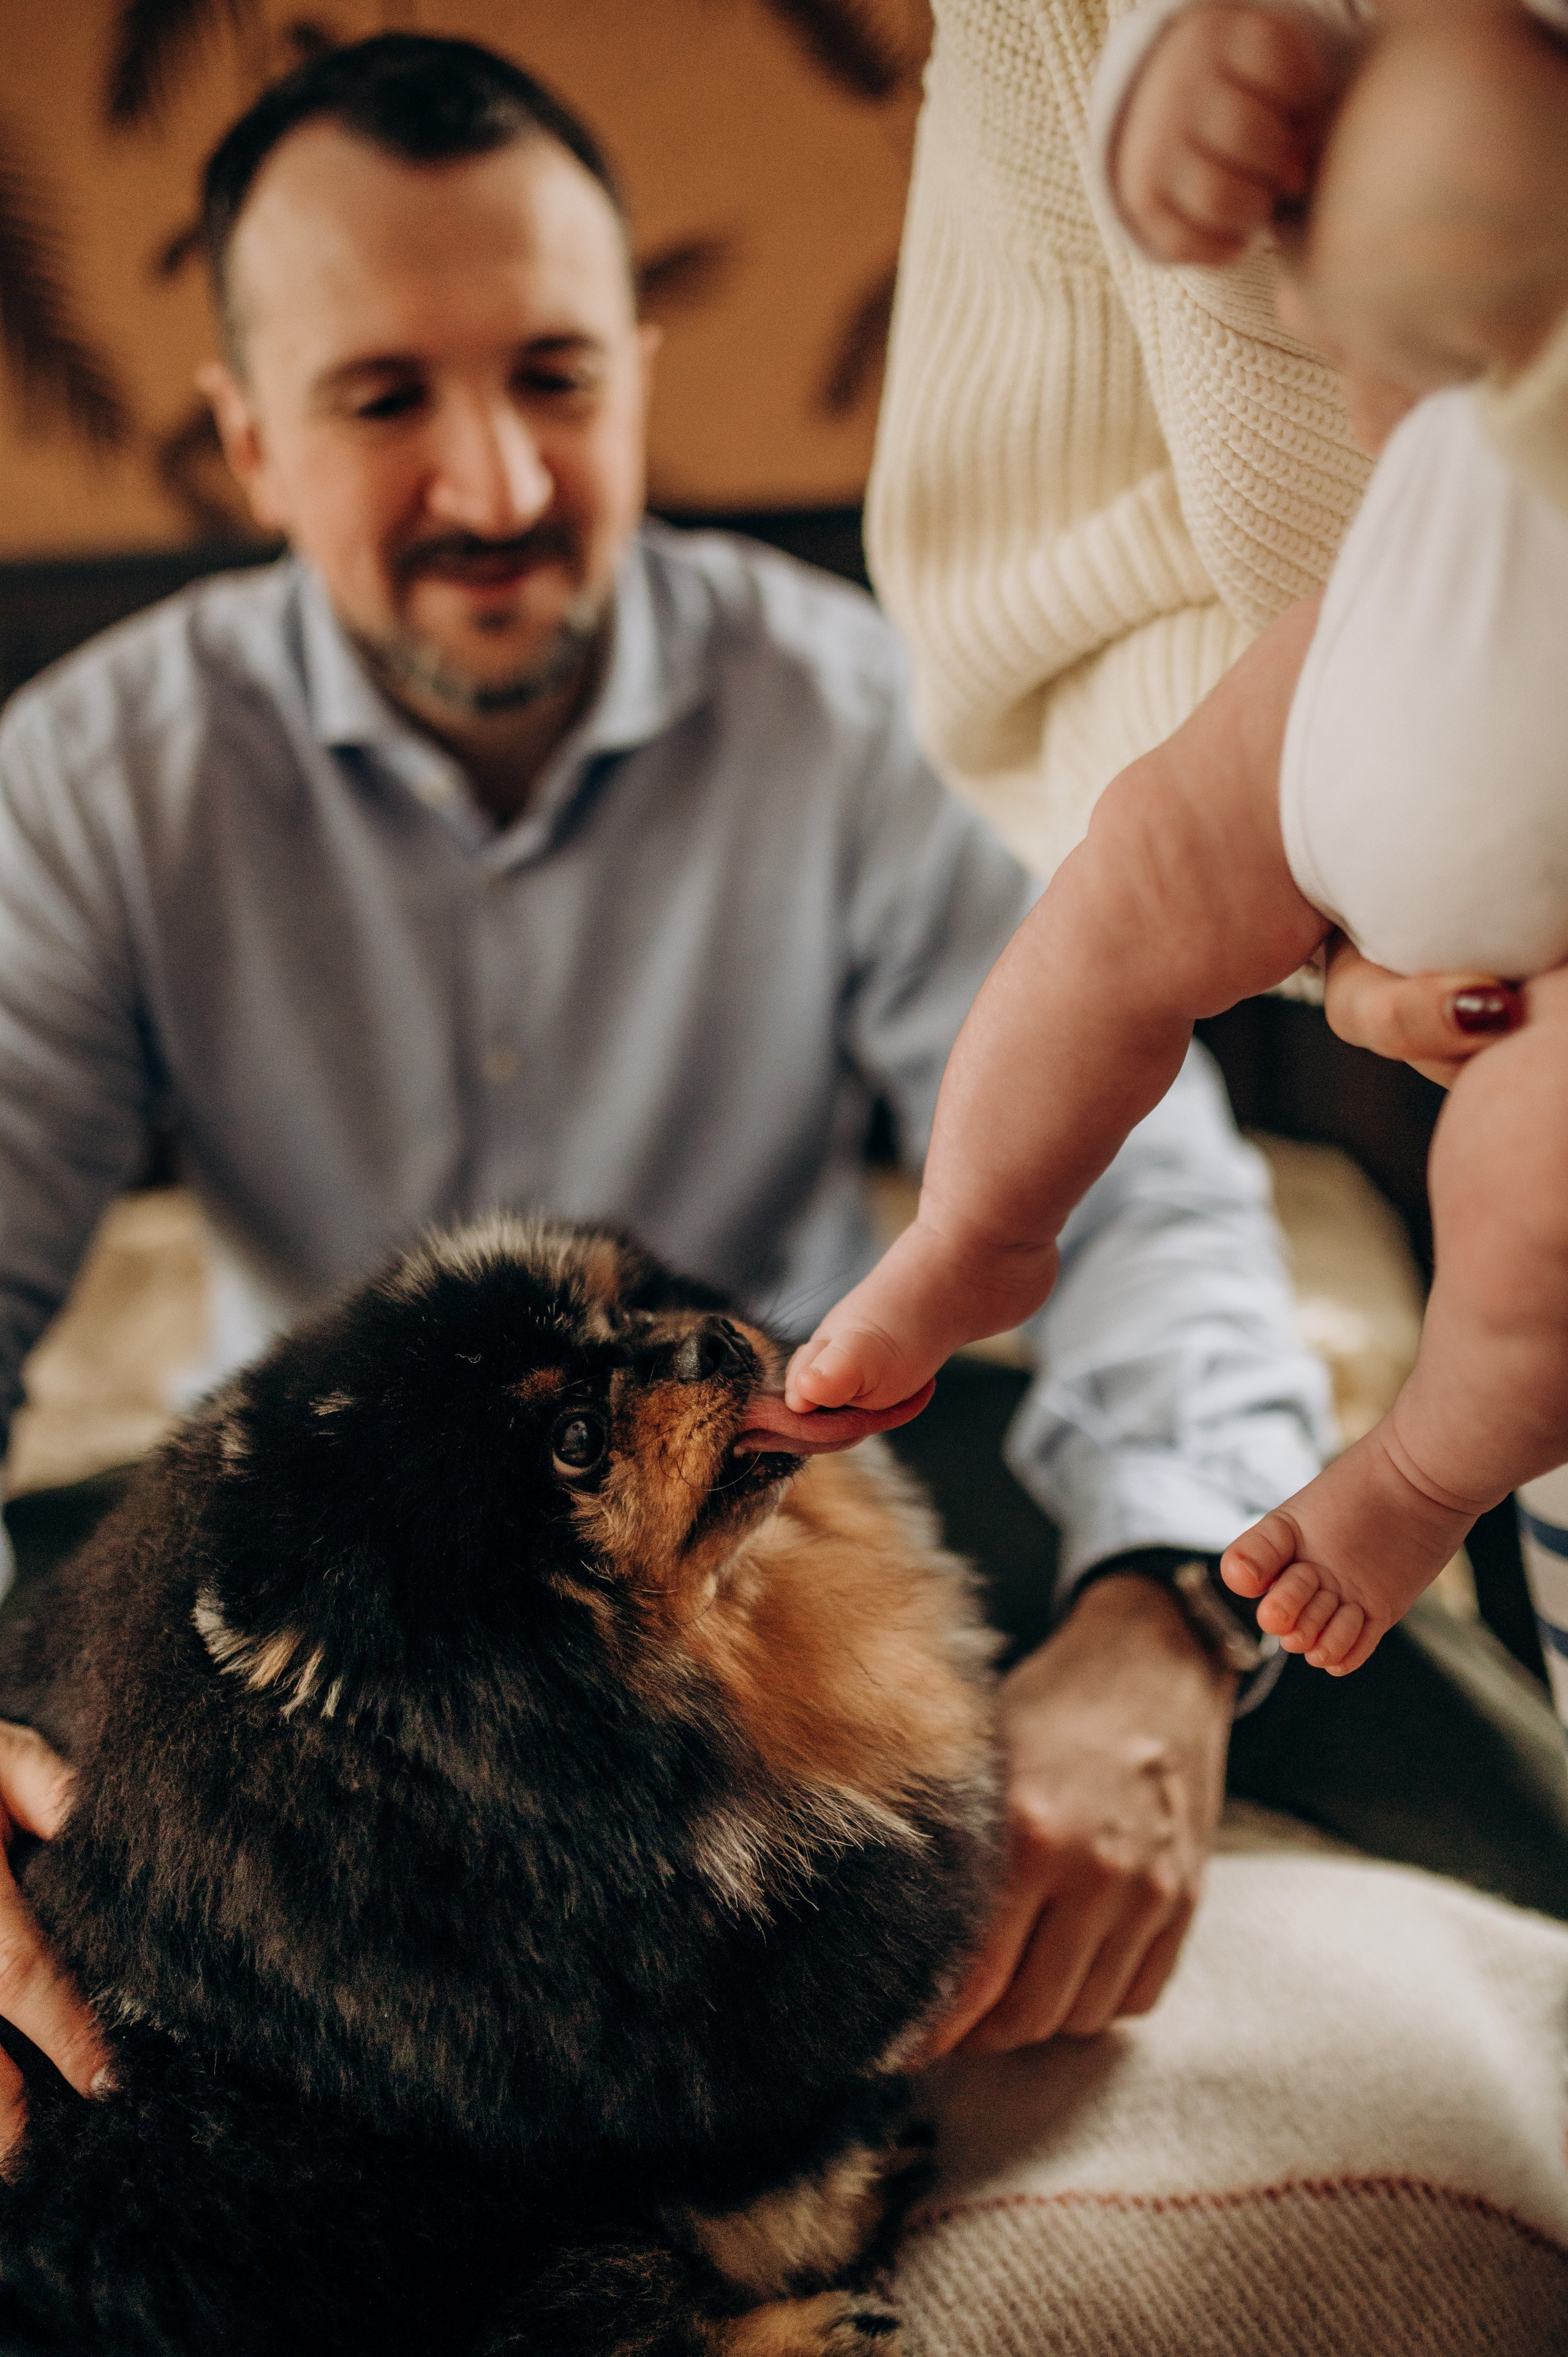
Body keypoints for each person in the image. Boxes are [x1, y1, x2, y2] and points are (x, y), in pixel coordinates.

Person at [0, 33, 1336, 2144]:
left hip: (812, 1509)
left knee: (1395, 1666)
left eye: (553, 378)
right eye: (381, 402)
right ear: (251, 446)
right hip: (330, 1594)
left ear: (638, 368)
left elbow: (1149, 1197)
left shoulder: (871, 708)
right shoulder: (84, 789)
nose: (501, 487)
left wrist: (1167, 1610)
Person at [786, 5, 1568, 1683]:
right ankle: (978, 1228)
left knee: (1541, 1170)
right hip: (1391, 615)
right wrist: (1209, 79)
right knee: (1131, 869)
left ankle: (1422, 1472)